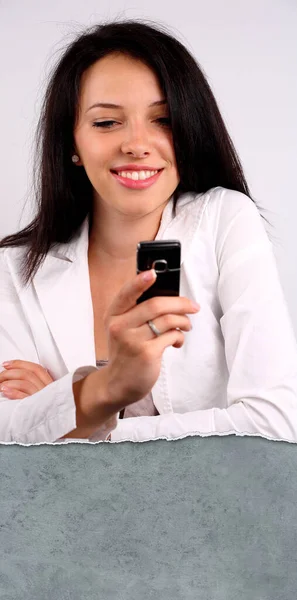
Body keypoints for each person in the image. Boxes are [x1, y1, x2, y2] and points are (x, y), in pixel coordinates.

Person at [1, 20, 297, 445]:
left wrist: (72, 412)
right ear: (72, 142)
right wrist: (105, 390)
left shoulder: (224, 219)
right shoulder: (13, 269)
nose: (137, 144)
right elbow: (5, 443)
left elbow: (275, 424)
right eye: (106, 123)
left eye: (162, 119)